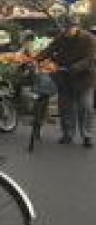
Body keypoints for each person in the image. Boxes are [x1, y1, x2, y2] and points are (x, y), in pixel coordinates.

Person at [37, 18, 96, 147]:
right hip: (64, 78)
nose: (66, 31)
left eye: (69, 28)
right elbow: (49, 49)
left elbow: (89, 59)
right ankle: (68, 134)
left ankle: (87, 136)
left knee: (85, 107)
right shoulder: (61, 37)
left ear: (76, 27)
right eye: (65, 28)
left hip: (84, 79)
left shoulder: (89, 39)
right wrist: (36, 59)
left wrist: (74, 67)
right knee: (65, 108)